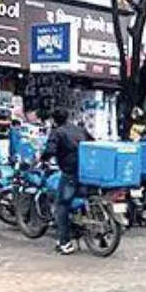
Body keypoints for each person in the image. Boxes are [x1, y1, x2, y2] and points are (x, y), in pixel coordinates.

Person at [42, 109, 92, 255]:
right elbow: (92, 143)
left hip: (70, 172)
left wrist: (42, 158)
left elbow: (50, 150)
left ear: (54, 120)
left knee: (62, 205)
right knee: (81, 198)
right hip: (86, 171)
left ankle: (65, 242)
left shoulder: (57, 132)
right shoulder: (80, 129)